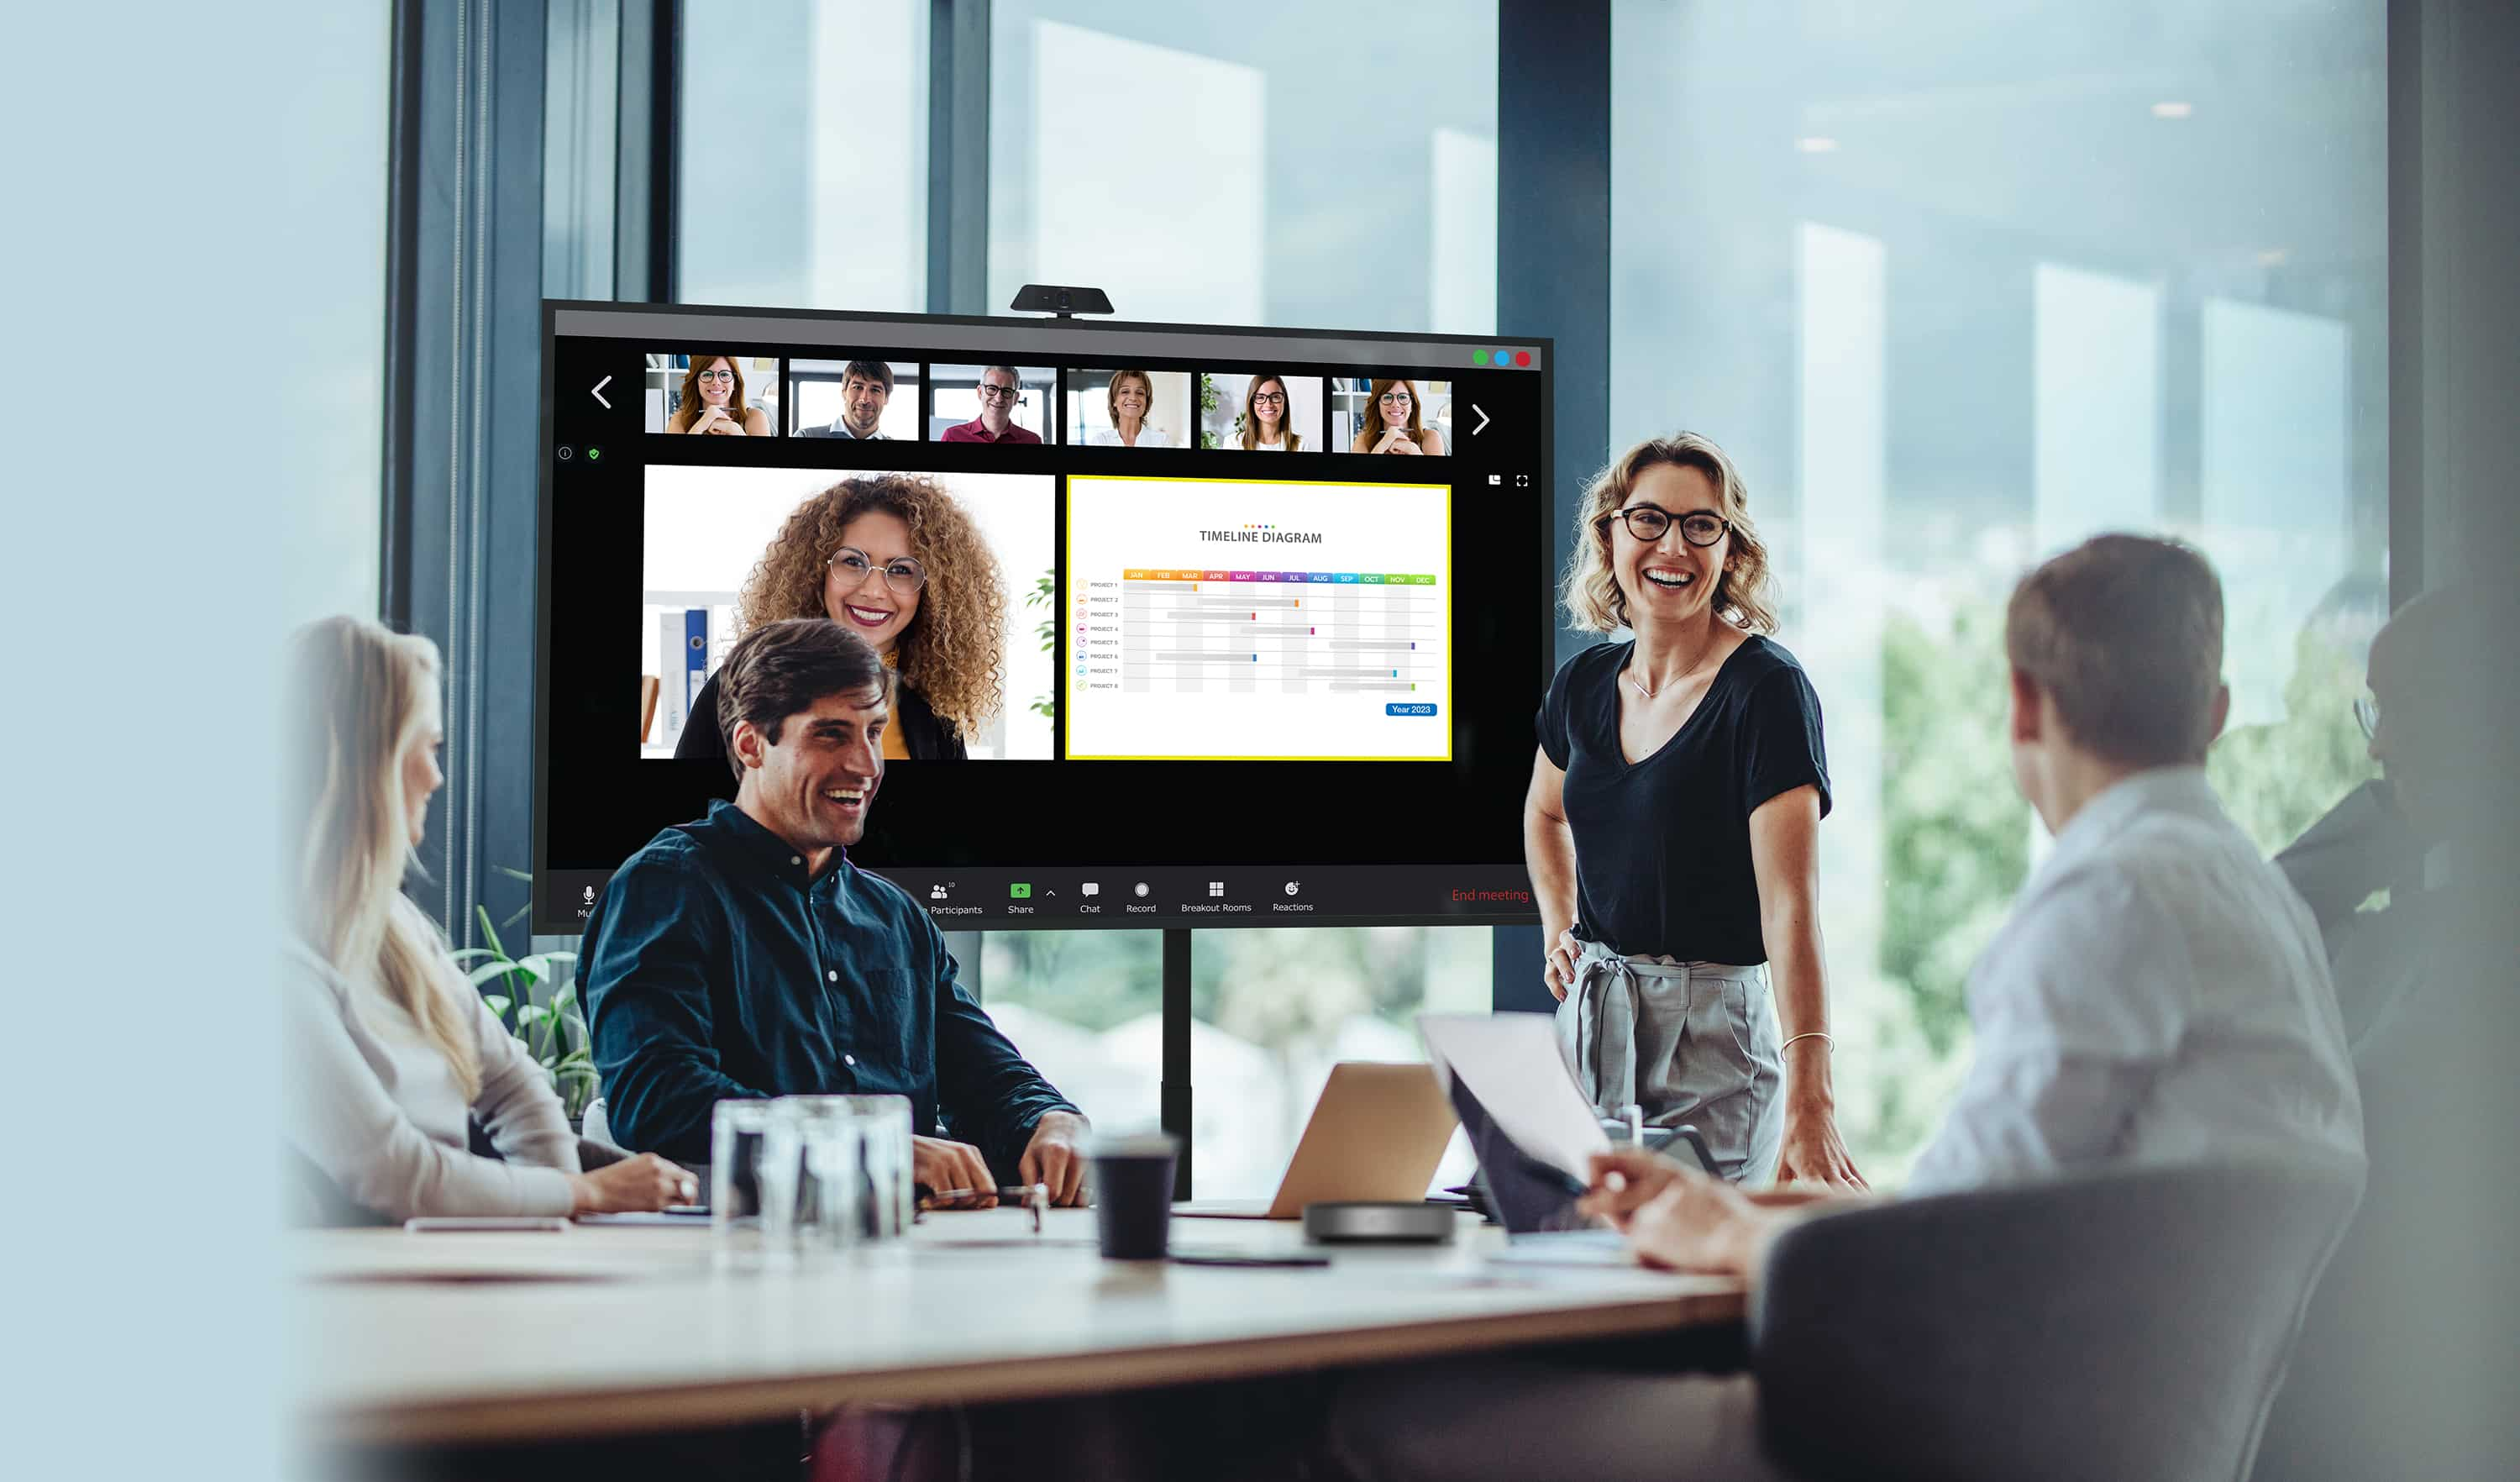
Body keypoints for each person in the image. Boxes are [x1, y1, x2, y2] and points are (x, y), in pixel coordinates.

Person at [1324, 534, 2367, 1482]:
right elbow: (2009, 1205)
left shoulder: (2109, 902)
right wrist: (1743, 1210)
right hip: (2113, 1432)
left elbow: (1949, 1263)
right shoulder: (2256, 900)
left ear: (2024, 706)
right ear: (2217, 711)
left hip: (1940, 1437)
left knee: (1385, 1418)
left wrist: (1730, 1237)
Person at [584, 618, 1090, 1205]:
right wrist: (870, 1143)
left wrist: (1052, 1120)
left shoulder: (896, 917)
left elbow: (986, 1076)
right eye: (831, 735)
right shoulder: (667, 885)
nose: (866, 766)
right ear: (751, 745)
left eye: (873, 733)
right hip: (734, 1254)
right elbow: (658, 1098)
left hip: (909, 1253)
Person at [1528, 433, 1860, 1188]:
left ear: (1730, 549)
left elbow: (1791, 910)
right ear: (1611, 534)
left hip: (1712, 1038)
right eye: (1648, 519)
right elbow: (1544, 815)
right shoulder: (1581, 685)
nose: (1672, 545)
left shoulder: (1766, 691)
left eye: (1700, 524)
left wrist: (1814, 1100)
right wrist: (1558, 925)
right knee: (1580, 1269)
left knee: (1693, 1286)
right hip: (1589, 1024)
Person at [282, 616, 696, 1222]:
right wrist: (583, 1193)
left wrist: (556, 1211)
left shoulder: (393, 924)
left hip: (436, 1263)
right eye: (425, 748)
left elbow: (510, 1082)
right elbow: (394, 1173)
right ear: (366, 765)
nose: (437, 776)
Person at [675, 472, 1002, 763]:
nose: (874, 590)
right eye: (853, 562)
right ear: (817, 570)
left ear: (931, 589)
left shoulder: (933, 714)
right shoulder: (736, 688)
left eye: (901, 569)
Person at [667, 354, 772, 436]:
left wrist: (734, 430)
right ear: (696, 382)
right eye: (707, 374)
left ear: (735, 383)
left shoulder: (755, 417)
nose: (716, 382)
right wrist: (702, 424)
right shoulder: (679, 419)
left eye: (724, 374)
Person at [939, 365, 1043, 444]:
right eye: (992, 389)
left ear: (1015, 398)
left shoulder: (1032, 441)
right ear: (980, 393)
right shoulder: (952, 437)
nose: (998, 398)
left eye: (1006, 391)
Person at [798, 359, 895, 439]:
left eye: (875, 390)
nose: (865, 400)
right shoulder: (806, 436)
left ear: (886, 398)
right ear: (844, 392)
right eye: (858, 387)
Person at [1347, 378, 1445, 455]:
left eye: (1403, 397)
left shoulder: (1431, 438)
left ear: (1412, 405)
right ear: (1378, 405)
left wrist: (1414, 451)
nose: (1396, 404)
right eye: (1387, 397)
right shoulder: (1364, 439)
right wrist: (1383, 445)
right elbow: (1360, 479)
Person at [1085, 368, 1173, 447]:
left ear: (1147, 401)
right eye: (1125, 391)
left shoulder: (1162, 441)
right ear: (1114, 401)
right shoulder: (1100, 441)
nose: (1133, 398)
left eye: (1140, 393)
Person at [1234, 372, 1301, 451]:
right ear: (1252, 403)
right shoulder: (1233, 443)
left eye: (1275, 397)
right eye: (1260, 397)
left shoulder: (1301, 445)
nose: (1268, 404)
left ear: (1284, 401)